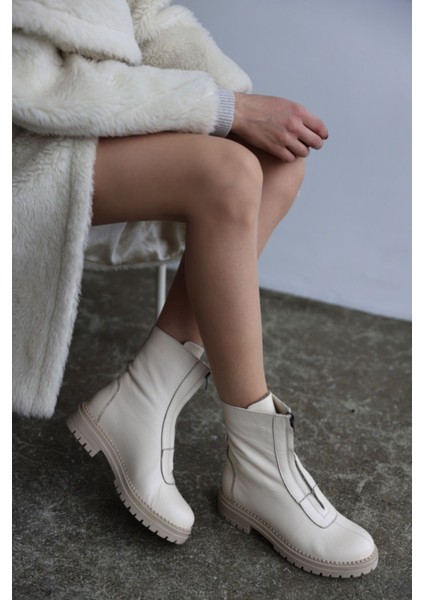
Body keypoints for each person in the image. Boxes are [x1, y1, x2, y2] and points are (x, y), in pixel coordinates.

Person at [12, 0, 378, 578]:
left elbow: (148, 16)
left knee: (276, 161)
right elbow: (30, 83)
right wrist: (224, 110)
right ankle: (259, 466)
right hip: (26, 137)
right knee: (228, 175)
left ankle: (146, 393)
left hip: (91, 114)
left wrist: (237, 104)